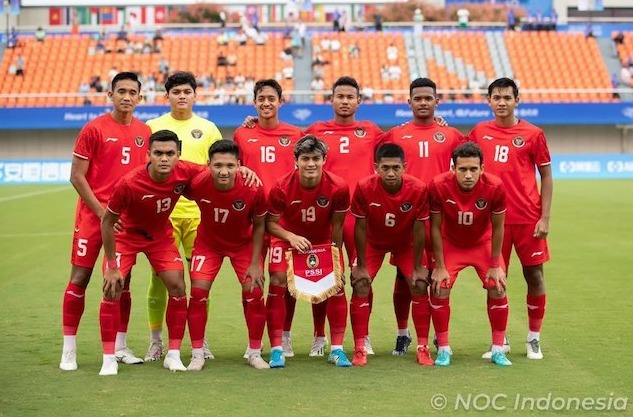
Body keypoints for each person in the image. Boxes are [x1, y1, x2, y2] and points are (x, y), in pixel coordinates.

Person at [59, 72, 152, 372]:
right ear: (110, 95)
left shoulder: (145, 132)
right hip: (92, 215)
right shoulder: (94, 128)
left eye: (132, 92)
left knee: (121, 283)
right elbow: (76, 176)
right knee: (80, 279)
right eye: (120, 91)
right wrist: (102, 213)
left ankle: (121, 347)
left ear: (140, 97)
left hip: (124, 221)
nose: (126, 97)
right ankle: (69, 349)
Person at [98, 130, 206, 375]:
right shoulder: (129, 182)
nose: (164, 158)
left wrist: (244, 170)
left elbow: (215, 171)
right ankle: (109, 358)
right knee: (113, 287)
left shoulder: (186, 171)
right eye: (158, 153)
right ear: (148, 155)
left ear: (179, 155)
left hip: (159, 237)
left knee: (178, 284)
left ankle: (173, 354)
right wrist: (112, 266)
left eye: (170, 153)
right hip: (126, 237)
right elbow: (107, 222)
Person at [378, 77, 464, 356]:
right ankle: (403, 335)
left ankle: (440, 337)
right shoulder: (395, 134)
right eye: (418, 98)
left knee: (440, 278)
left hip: (440, 219)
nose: (423, 103)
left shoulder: (451, 135)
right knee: (405, 278)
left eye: (429, 98)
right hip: (406, 217)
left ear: (437, 101)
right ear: (409, 102)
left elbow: (469, 161)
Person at [467, 77, 552, 360]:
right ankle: (499, 342)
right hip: (492, 221)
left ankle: (533, 339)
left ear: (517, 100)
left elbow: (547, 176)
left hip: (528, 218)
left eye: (507, 98)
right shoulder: (479, 132)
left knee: (534, 275)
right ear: (488, 101)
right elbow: (461, 156)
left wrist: (545, 217)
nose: (501, 103)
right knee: (496, 281)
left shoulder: (533, 133)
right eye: (496, 98)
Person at [144, 71, 223, 363]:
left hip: (199, 218)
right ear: (167, 96)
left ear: (194, 95)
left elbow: (216, 169)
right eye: (176, 92)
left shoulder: (209, 128)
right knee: (160, 281)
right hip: (162, 217)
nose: (181, 96)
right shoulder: (152, 126)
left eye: (187, 91)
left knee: (201, 281)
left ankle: (199, 342)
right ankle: (155, 341)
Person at [304, 76, 383, 356]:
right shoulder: (316, 130)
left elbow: (396, 150)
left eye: (351, 97)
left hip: (361, 217)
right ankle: (318, 337)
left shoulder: (372, 130)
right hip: (327, 216)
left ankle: (364, 336)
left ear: (359, 101)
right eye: (340, 96)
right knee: (323, 277)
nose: (345, 101)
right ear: (332, 99)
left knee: (362, 276)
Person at [265, 136, 351, 368]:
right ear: (296, 161)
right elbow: (271, 224)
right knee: (278, 279)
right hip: (287, 239)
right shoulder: (281, 187)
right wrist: (291, 237)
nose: (310, 164)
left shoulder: (339, 187)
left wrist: (334, 257)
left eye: (315, 158)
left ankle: (337, 349)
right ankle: (276, 349)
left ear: (324, 160)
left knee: (336, 283)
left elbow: (338, 226)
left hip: (322, 241)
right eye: (305, 159)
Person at [183, 140, 269, 371]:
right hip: (208, 244)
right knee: (198, 292)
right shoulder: (198, 183)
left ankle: (254, 352)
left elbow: (260, 225)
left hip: (243, 245)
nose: (224, 171)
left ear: (239, 165)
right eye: (218, 165)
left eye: (230, 166)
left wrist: (255, 263)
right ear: (208, 165)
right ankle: (198, 353)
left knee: (255, 291)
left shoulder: (253, 187)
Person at [234, 79, 304, 358]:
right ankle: (254, 340)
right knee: (251, 280)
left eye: (271, 98)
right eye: (261, 98)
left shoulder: (296, 134)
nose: (266, 103)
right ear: (254, 102)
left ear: (280, 101)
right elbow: (232, 166)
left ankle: (283, 336)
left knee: (283, 281)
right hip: (249, 218)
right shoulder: (242, 133)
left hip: (282, 219)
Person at [428, 141, 511, 367]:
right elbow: (434, 226)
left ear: (482, 169)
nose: (468, 175)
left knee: (497, 286)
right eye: (462, 169)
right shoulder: (438, 185)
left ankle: (498, 349)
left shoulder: (495, 186)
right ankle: (443, 348)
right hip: (451, 244)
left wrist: (495, 263)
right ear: (452, 168)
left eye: (473, 169)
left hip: (481, 244)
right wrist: (439, 264)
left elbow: (498, 227)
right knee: (439, 287)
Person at [350, 143, 431, 366]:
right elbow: (360, 227)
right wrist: (362, 265)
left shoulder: (418, 188)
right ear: (376, 167)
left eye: (396, 167)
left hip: (405, 243)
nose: (391, 173)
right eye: (385, 168)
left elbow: (419, 227)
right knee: (360, 283)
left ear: (405, 166)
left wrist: (417, 266)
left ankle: (423, 347)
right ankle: (360, 347)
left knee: (420, 283)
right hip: (373, 242)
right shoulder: (364, 187)